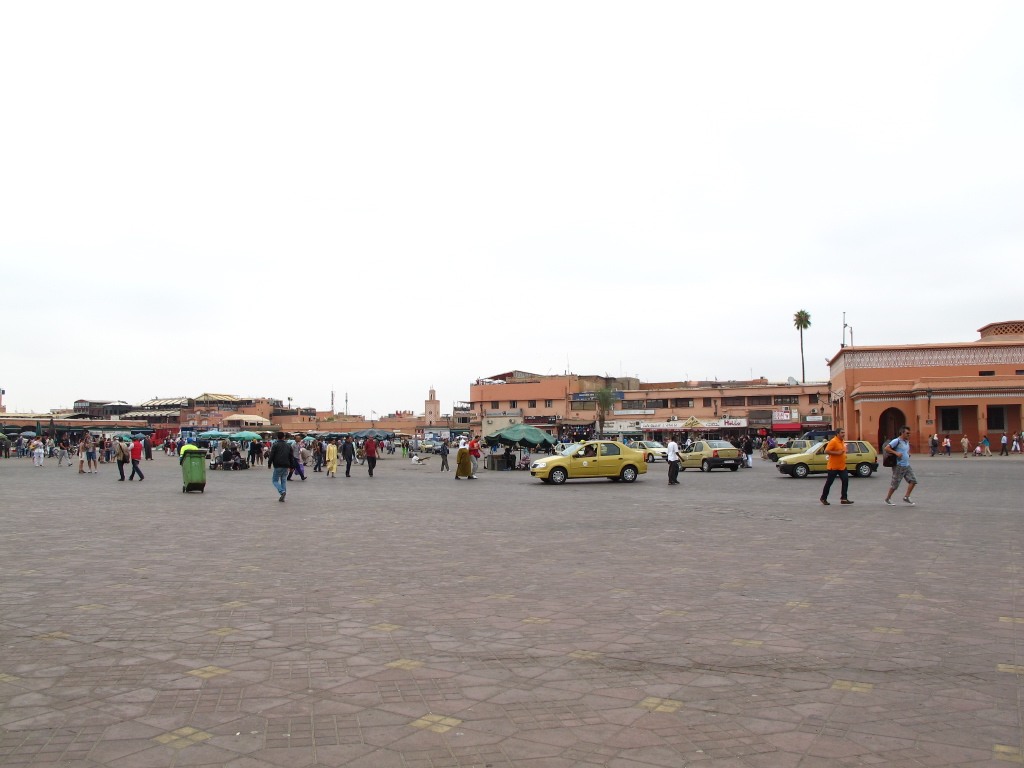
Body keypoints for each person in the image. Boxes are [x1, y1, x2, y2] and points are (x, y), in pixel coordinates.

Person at [884, 426, 917, 506]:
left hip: (906, 465)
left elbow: (905, 451)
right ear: (902, 433)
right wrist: (896, 453)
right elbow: (886, 448)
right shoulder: (896, 441)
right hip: (899, 465)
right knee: (895, 483)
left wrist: (907, 454)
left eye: (909, 433)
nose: (909, 435)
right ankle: (888, 498)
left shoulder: (906, 442)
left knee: (913, 481)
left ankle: (907, 496)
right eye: (907, 433)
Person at [820, 427, 853, 505]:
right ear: (837, 433)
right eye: (842, 433)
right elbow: (826, 451)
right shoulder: (833, 441)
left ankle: (844, 498)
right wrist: (837, 453)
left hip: (842, 466)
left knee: (845, 481)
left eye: (844, 432)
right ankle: (823, 498)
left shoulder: (842, 441)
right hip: (833, 467)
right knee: (829, 482)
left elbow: (842, 451)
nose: (843, 434)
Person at [267, 433, 292, 501]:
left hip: (278, 465)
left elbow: (272, 455)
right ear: (284, 437)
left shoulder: (275, 445)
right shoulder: (288, 446)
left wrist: (269, 463)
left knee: (275, 480)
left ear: (277, 437)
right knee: (283, 480)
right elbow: (291, 457)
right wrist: (292, 466)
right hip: (286, 465)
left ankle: (282, 491)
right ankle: (283, 494)